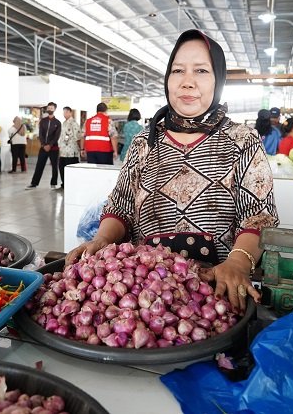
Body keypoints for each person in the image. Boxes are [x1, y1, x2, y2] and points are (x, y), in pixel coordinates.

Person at [66, 30, 279, 314]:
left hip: (214, 295)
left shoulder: (242, 140)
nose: (187, 81)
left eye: (201, 71)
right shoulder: (145, 141)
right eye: (178, 70)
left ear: (218, 81)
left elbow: (259, 216)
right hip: (144, 294)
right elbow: (121, 206)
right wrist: (103, 239)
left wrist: (238, 264)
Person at [27, 102, 61, 189]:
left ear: (54, 109)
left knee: (54, 166)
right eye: (49, 108)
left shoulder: (58, 122)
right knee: (39, 165)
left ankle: (53, 184)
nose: (50, 109)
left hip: (53, 148)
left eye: (51, 108)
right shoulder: (43, 121)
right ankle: (34, 183)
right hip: (43, 147)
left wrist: (50, 145)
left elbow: (57, 136)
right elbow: (40, 134)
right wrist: (43, 144)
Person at [58, 106, 81, 189]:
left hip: (71, 151)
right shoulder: (64, 123)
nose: (65, 114)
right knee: (61, 167)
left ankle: (71, 185)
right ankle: (64, 184)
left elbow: (78, 137)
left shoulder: (74, 123)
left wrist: (80, 149)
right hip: (63, 151)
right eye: (64, 112)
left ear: (70, 112)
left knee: (70, 169)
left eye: (66, 112)